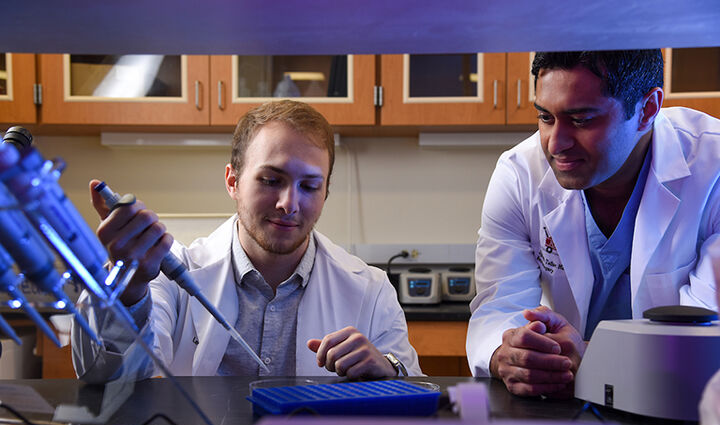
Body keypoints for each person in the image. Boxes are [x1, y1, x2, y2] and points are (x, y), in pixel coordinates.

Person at [72, 99, 421, 382]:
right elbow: (108, 375)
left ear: (326, 192)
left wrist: (389, 370)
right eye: (271, 180)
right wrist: (129, 286)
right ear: (233, 182)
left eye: (310, 186)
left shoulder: (371, 290)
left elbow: (417, 394)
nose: (288, 203)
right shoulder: (172, 275)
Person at [466, 50, 720, 397]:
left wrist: (591, 357)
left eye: (582, 119)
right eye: (545, 117)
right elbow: (498, 307)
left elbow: (707, 339)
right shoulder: (519, 175)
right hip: (564, 402)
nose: (556, 144)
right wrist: (509, 354)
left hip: (686, 408)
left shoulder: (713, 168)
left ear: (647, 110)